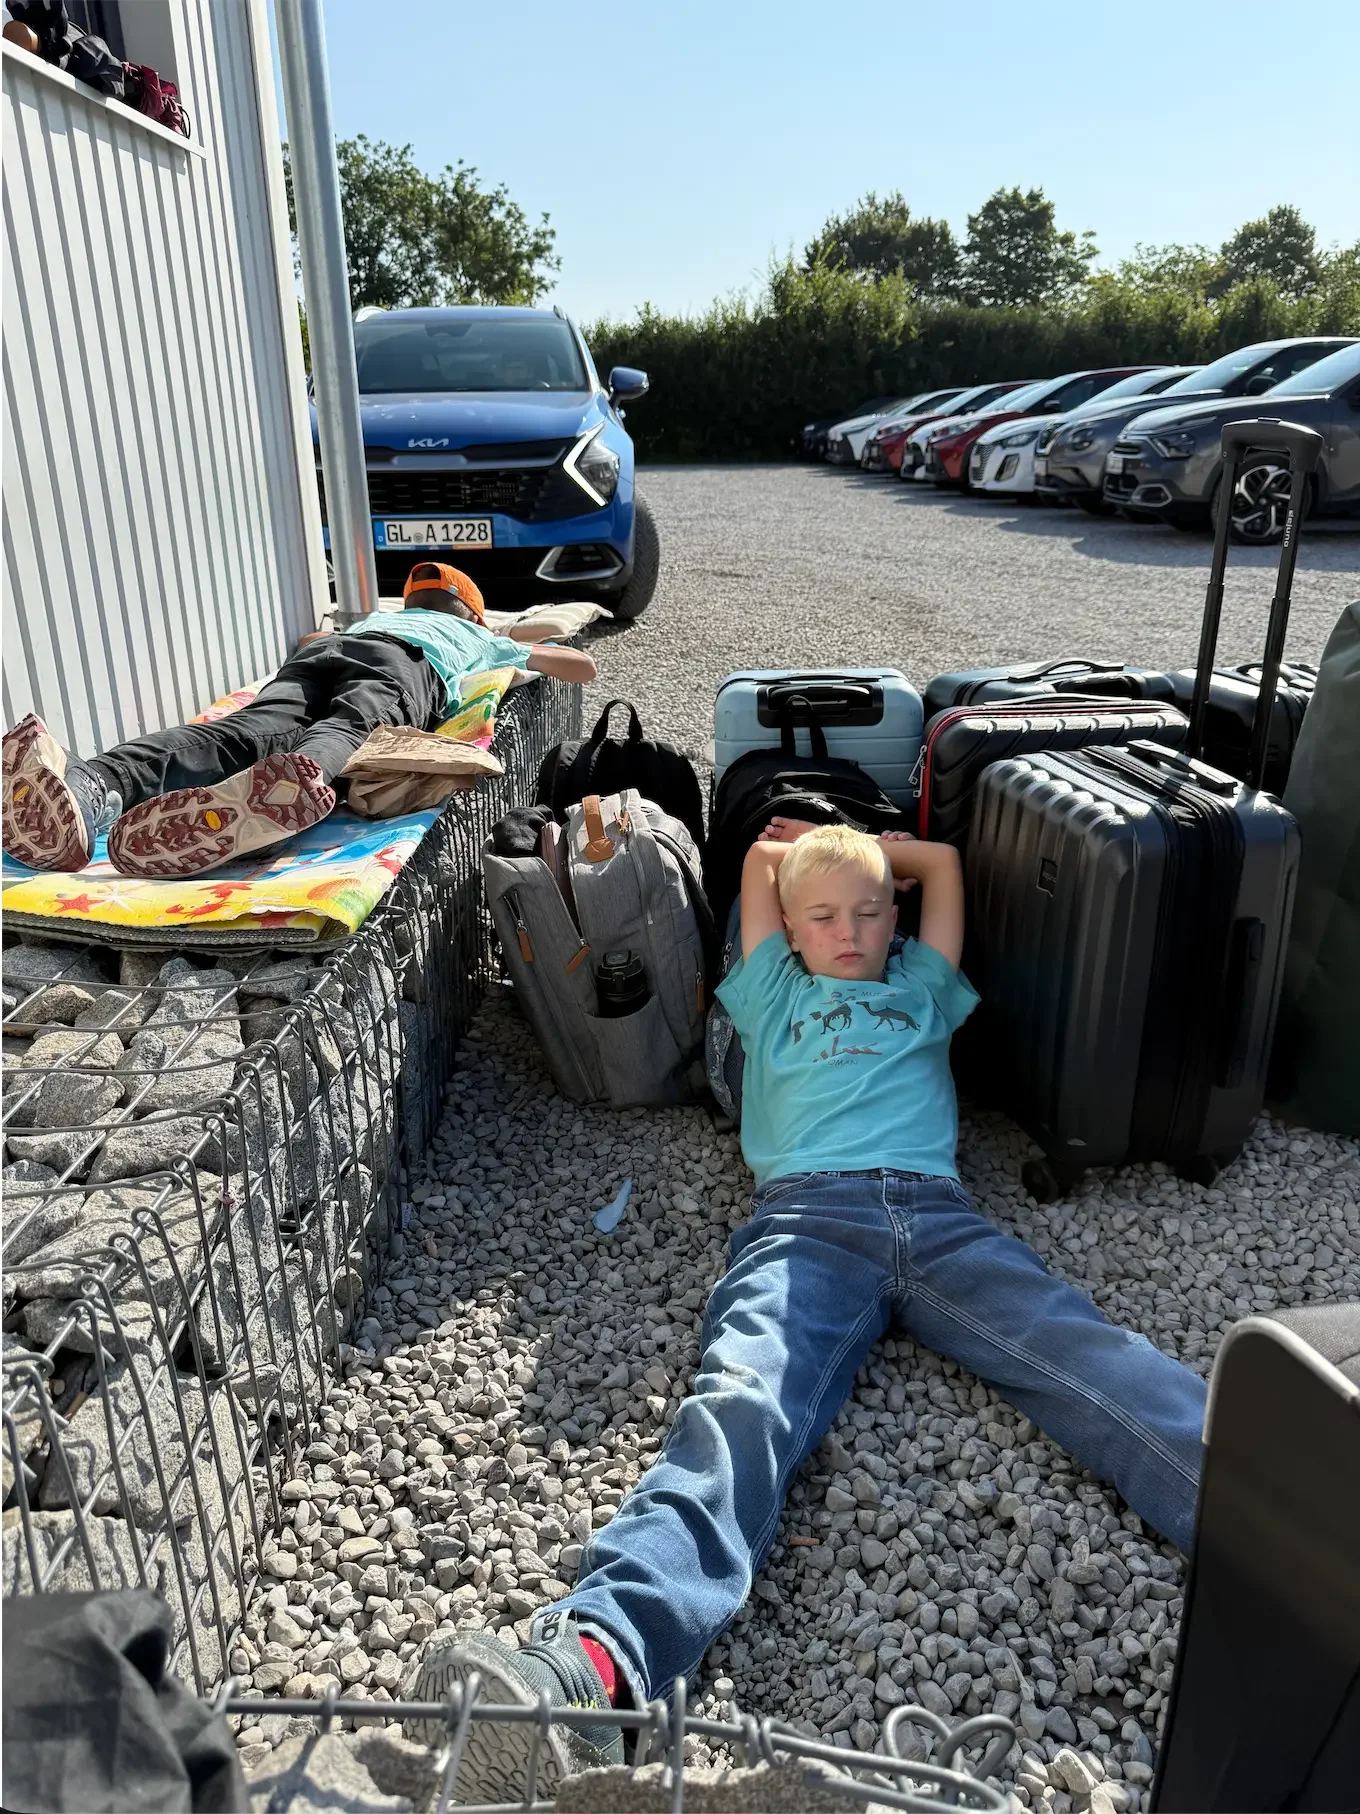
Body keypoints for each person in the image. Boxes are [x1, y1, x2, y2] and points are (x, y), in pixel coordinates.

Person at [402, 818, 1208, 1795]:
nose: (851, 929)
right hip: (808, 1220)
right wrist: (798, 855)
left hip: (937, 1215)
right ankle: (596, 1665)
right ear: (787, 926)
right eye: (824, 915)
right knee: (741, 1401)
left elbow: (940, 865)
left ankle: (1278, 1511)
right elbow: (755, 868)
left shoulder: (917, 982)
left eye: (870, 912)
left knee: (1083, 1350)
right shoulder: (773, 984)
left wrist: (867, 848)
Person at [1, 564, 596, 879]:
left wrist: (342, 633)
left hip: (319, 656)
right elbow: (581, 667)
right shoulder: (474, 633)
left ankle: (88, 786)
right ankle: (281, 797)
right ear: (469, 609)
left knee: (232, 734)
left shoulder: (365, 617)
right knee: (347, 729)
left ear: (412, 598)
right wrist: (504, 639)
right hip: (403, 666)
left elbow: (310, 637)